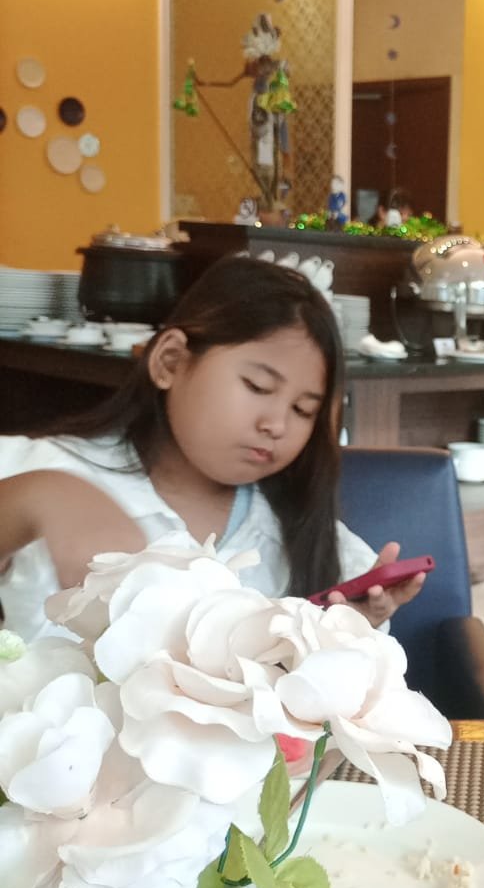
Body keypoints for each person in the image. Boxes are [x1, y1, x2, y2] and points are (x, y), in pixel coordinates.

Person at [0, 256, 425, 642]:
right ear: (170, 361)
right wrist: (41, 496)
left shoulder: (298, 532)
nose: (276, 424)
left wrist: (343, 630)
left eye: (303, 409)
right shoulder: (46, 466)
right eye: (257, 386)